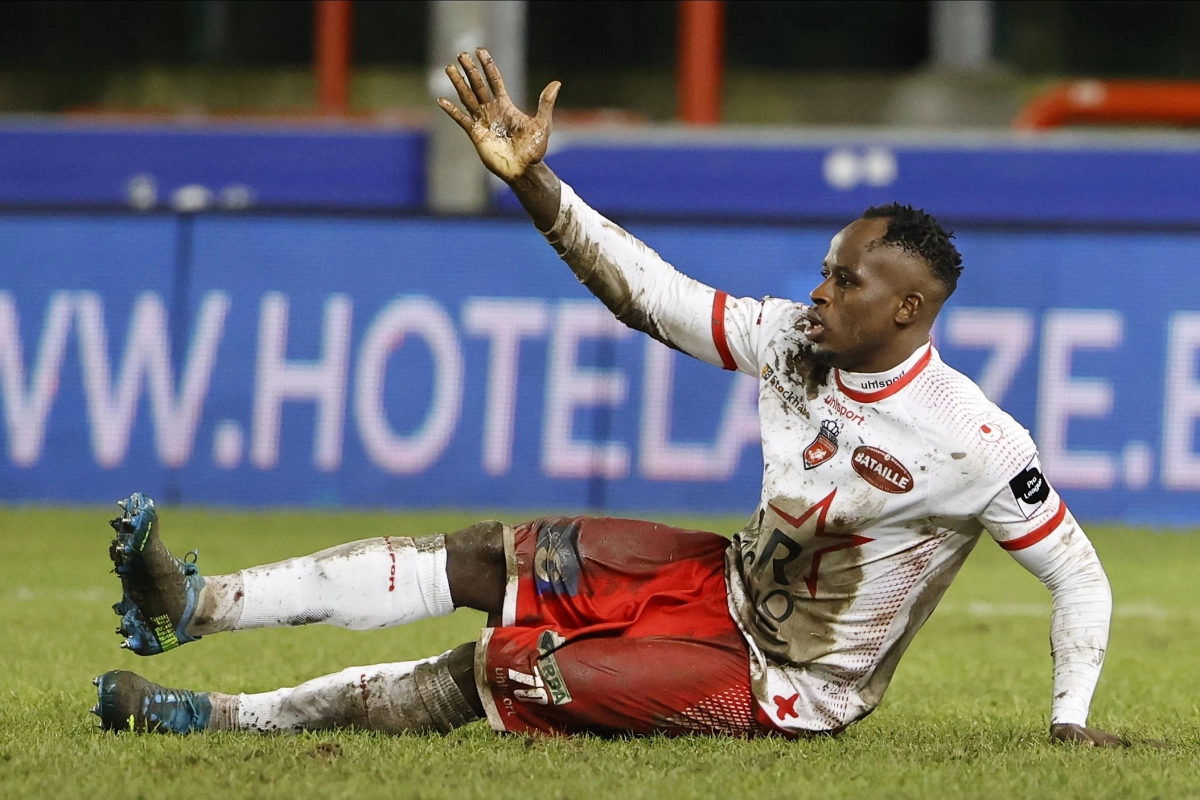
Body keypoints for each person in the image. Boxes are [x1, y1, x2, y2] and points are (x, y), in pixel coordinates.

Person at [92, 50, 1122, 746]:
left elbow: (1079, 575)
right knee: (490, 553)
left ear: (906, 312)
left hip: (784, 684)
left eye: (844, 281)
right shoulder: (796, 341)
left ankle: (212, 716)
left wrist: (1070, 725)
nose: (819, 291)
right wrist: (535, 184)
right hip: (720, 583)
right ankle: (199, 602)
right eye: (824, 269)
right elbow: (651, 295)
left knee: (501, 661)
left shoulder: (973, 437)